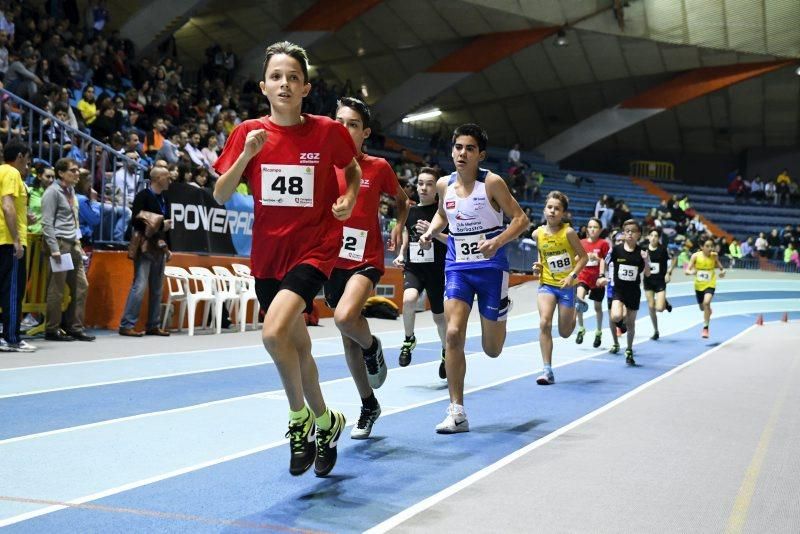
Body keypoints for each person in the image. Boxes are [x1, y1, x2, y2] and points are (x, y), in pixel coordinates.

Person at [212, 41, 361, 477]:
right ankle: (326, 421)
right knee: (297, 347)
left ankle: (298, 421)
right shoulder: (247, 133)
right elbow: (221, 194)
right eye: (276, 76)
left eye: (292, 77)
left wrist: (350, 197)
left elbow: (351, 169)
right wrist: (247, 155)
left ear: (305, 87)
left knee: (273, 332)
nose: (284, 83)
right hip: (268, 255)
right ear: (264, 86)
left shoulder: (328, 131)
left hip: (314, 249)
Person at [418, 123, 528, 434]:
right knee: (453, 335)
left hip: (491, 269)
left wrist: (497, 242)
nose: (462, 153)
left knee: (492, 349)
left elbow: (521, 219)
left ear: (481, 155)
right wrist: (431, 231)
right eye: (458, 148)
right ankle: (457, 411)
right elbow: (444, 213)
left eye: (469, 148)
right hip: (458, 267)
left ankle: (501, 310)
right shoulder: (444, 185)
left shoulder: (492, 183)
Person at [323, 96, 408, 440]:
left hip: (365, 259)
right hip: (330, 260)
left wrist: (399, 224)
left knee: (345, 318)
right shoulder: (322, 166)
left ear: (365, 132)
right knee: (347, 341)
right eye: (339, 122)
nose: (344, 129)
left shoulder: (378, 167)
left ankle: (372, 346)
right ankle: (368, 403)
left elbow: (402, 201)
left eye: (353, 124)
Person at [530, 192, 589, 385]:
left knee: (564, 333)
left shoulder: (569, 233)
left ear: (563, 213)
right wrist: (538, 265)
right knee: (544, 323)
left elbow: (584, 258)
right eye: (550, 207)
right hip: (547, 284)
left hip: (567, 287)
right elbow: (542, 254)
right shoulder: (537, 233)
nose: (552, 211)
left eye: (557, 208)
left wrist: (572, 276)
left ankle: (576, 308)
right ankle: (547, 370)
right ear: (545, 209)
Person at [393, 168, 447, 376]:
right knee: (408, 300)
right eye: (421, 183)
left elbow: (452, 241)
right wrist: (401, 253)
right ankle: (409, 340)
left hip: (436, 270)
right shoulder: (410, 211)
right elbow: (407, 234)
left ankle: (445, 351)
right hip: (414, 266)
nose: (424, 188)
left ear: (437, 188)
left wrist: (432, 232)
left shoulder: (442, 213)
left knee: (439, 318)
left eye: (429, 184)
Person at [40, 158, 95, 342]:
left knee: (81, 286)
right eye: (73, 170)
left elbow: (74, 220)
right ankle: (52, 329)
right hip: (60, 244)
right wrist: (54, 248)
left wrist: (78, 244)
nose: (77, 173)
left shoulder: (71, 191)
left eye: (77, 170)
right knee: (56, 288)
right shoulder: (52, 193)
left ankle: (75, 327)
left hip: (73, 243)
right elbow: (47, 222)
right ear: (61, 173)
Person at [118, 166, 173, 337]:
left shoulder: (164, 199)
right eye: (166, 177)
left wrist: (167, 248)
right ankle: (126, 324)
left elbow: (165, 229)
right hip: (145, 246)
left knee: (157, 288)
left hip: (159, 247)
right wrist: (159, 224)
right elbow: (137, 221)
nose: (170, 179)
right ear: (157, 178)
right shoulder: (142, 196)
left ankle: (153, 325)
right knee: (140, 285)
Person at [0, 141, 36, 353]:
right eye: (28, 161)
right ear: (20, 156)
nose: (28, 166)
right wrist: (16, 239)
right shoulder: (12, 173)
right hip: (9, 241)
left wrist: (25, 220)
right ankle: (12, 338)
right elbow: (7, 205)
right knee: (12, 290)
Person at [603, 219, 650, 366]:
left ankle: (629, 349)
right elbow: (604, 262)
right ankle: (620, 325)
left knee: (631, 324)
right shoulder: (616, 250)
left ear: (639, 234)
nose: (629, 233)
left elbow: (647, 274)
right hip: (619, 290)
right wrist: (602, 276)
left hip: (634, 292)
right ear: (624, 233)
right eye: (627, 231)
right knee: (616, 315)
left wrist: (647, 260)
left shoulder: (641, 252)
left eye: (633, 231)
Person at [574, 217, 609, 349]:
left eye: (595, 227)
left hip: (597, 281)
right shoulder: (581, 243)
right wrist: (585, 256)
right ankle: (581, 328)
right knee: (579, 301)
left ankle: (598, 331)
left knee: (597, 308)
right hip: (583, 277)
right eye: (590, 227)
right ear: (587, 229)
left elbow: (607, 262)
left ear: (600, 230)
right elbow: (575, 259)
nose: (592, 229)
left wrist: (598, 258)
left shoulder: (603, 244)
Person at [685, 239, 726, 339]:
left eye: (711, 246)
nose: (710, 248)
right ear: (702, 246)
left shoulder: (714, 256)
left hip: (710, 284)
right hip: (699, 285)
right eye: (707, 246)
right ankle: (708, 310)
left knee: (706, 302)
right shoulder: (695, 256)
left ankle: (705, 328)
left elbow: (722, 268)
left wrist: (722, 273)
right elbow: (687, 270)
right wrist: (691, 272)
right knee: (702, 308)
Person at [642, 228, 675, 341]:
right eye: (651, 235)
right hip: (648, 281)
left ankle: (664, 303)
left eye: (656, 236)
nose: (653, 238)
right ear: (648, 237)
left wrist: (668, 273)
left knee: (660, 308)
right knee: (651, 306)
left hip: (660, 281)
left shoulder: (662, 249)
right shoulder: (644, 250)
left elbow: (673, 259)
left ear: (659, 238)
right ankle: (656, 331)